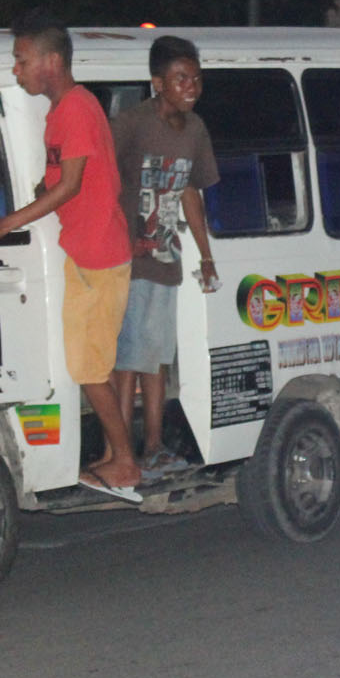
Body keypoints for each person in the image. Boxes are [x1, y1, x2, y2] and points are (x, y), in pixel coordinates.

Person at [0, 11, 142, 500]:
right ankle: (113, 457)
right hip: (87, 251)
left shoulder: (76, 110)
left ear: (51, 60)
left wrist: (5, 223)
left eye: (21, 60)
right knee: (90, 366)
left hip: (99, 255)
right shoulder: (64, 110)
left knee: (89, 369)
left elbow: (69, 185)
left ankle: (125, 463)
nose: (16, 70)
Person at [109, 35, 219, 480]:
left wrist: (205, 255)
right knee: (128, 361)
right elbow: (96, 176)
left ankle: (152, 448)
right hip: (125, 261)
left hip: (164, 259)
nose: (190, 86)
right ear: (158, 83)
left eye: (195, 78)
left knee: (156, 358)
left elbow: (190, 191)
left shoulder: (194, 130)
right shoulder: (131, 124)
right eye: (180, 78)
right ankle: (122, 454)